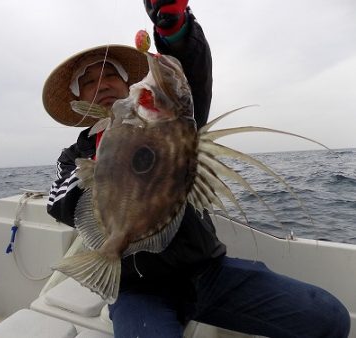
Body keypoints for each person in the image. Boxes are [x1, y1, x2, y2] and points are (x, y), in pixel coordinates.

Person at [44, 1, 350, 337]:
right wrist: (107, 154)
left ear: (126, 83)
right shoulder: (76, 153)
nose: (99, 83)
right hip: (138, 289)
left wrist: (174, 28)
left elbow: (190, 77)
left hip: (207, 271)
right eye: (87, 82)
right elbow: (57, 204)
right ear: (80, 98)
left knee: (329, 318)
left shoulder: (174, 126)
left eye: (108, 74)